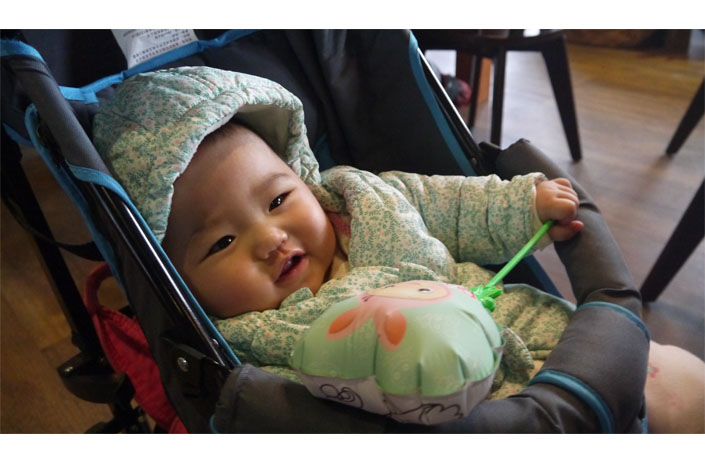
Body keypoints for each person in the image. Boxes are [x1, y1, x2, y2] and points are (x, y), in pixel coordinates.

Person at [93, 66, 703, 432]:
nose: (271, 238)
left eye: (278, 199)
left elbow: (453, 206)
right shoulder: (251, 339)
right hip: (475, 422)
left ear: (302, 175)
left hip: (552, 341)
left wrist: (525, 206)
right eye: (223, 241)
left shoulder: (363, 198)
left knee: (683, 385)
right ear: (182, 280)